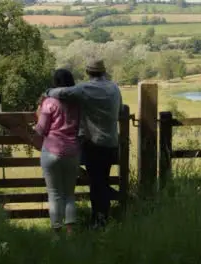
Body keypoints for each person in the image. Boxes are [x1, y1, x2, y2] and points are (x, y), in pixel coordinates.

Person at [44, 59, 122, 228]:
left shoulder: (85, 88)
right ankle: (103, 217)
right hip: (112, 142)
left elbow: (63, 93)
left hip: (93, 143)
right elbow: (121, 109)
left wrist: (48, 91)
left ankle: (98, 220)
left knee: (96, 182)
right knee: (103, 180)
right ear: (104, 72)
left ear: (88, 72)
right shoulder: (114, 88)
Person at [34, 69, 81, 236]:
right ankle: (70, 232)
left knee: (54, 194)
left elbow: (41, 130)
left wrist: (38, 115)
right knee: (69, 194)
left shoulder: (49, 102)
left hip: (51, 151)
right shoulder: (78, 102)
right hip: (73, 151)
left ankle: (56, 232)